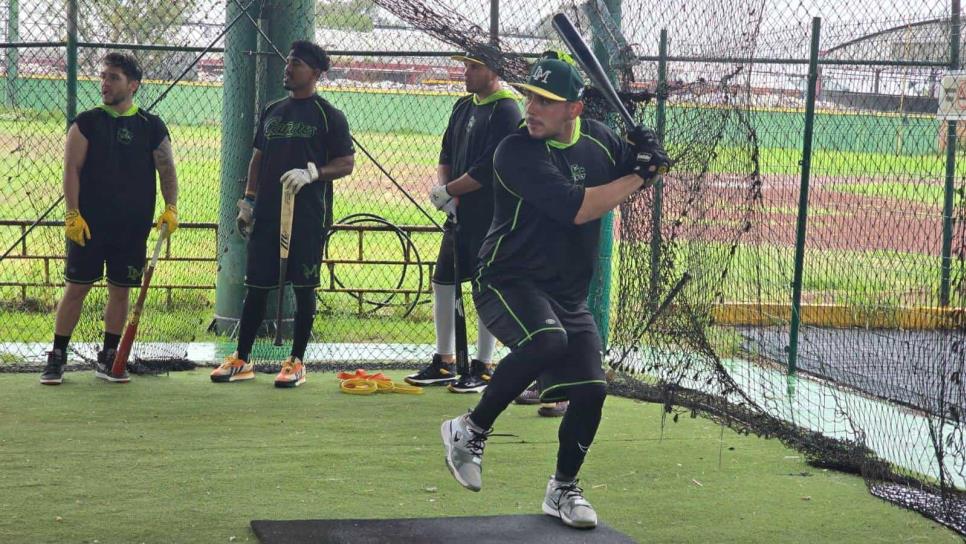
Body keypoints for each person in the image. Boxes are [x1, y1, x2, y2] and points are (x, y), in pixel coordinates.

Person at [439, 52, 670, 529]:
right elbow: (578, 208)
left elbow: (641, 172)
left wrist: (652, 156)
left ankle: (562, 488)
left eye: (546, 100)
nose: (532, 108)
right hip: (506, 278)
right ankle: (470, 430)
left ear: (574, 109)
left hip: (565, 292)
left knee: (592, 390)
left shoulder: (602, 143)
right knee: (547, 340)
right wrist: (639, 175)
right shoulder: (515, 150)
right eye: (530, 96)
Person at [209, 41, 354, 388]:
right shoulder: (273, 110)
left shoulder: (328, 115)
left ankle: (296, 361)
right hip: (268, 214)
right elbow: (258, 157)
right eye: (288, 62)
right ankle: (242, 359)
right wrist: (248, 201)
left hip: (306, 217)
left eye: (297, 64)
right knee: (256, 287)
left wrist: (315, 173)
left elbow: (346, 163)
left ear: (316, 73)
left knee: (304, 289)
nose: (288, 68)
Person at [40, 52, 179, 385]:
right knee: (77, 288)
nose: (104, 83)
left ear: (133, 85)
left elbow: (167, 169)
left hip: (131, 228)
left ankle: (109, 356)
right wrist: (72, 213)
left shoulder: (151, 125)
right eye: (102, 77)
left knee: (121, 292)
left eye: (112, 77)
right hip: (88, 226)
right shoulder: (86, 122)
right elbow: (71, 170)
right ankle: (57, 356)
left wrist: (171, 207)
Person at [404, 52, 521, 394]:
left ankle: (485, 366)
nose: (465, 72)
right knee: (443, 280)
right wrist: (447, 192)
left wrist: (452, 191)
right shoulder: (462, 106)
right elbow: (446, 153)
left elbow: (488, 168)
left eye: (473, 67)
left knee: (485, 286)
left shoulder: (506, 110)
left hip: (490, 215)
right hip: (459, 213)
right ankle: (445, 360)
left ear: (493, 71)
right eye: (465, 65)